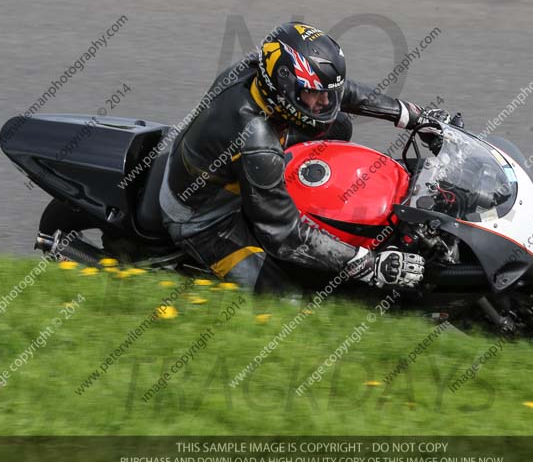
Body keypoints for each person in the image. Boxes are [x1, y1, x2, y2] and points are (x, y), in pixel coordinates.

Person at [159, 22, 437, 293]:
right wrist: (368, 264)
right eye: (314, 93)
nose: (325, 101)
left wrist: (412, 115)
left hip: (231, 162)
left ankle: (291, 196)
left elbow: (339, 91)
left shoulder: (259, 70)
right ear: (285, 86)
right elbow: (284, 235)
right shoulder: (257, 141)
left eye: (325, 93)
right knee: (286, 299)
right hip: (204, 221)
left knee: (337, 125)